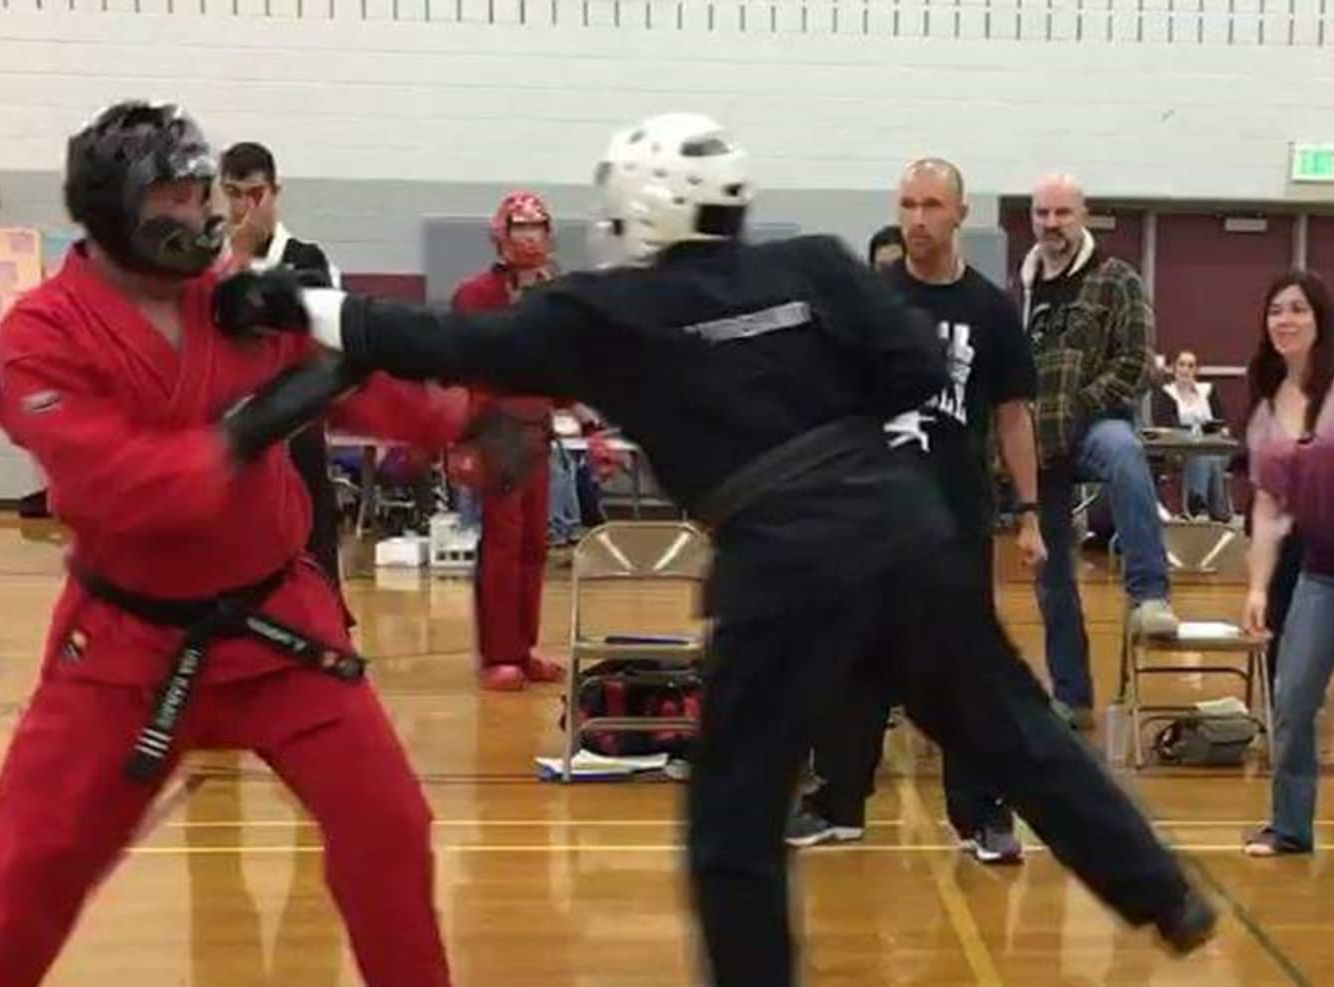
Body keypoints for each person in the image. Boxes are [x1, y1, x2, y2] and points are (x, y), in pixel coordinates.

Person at [216, 111, 1216, 987]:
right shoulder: (818, 264)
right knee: (1012, 730)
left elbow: (439, 341)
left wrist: (282, 300)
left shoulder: (606, 311)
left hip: (780, 563)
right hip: (900, 524)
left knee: (735, 822)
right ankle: (1163, 894)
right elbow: (915, 368)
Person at [0, 100, 532, 987]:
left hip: (276, 624)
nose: (202, 212)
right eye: (173, 196)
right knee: (29, 871)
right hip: (124, 649)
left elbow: (366, 390)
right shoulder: (42, 333)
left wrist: (467, 418)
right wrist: (249, 429)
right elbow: (114, 481)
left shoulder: (238, 295)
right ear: (113, 212)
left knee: (390, 828)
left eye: (201, 188)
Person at [786, 159, 1046, 865]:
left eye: (933, 205)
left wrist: (1028, 511)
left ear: (960, 214)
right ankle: (837, 803)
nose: (918, 219)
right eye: (907, 204)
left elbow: (1014, 416)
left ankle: (981, 814)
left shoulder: (991, 310)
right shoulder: (872, 301)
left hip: (953, 519)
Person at [1022, 173, 1179, 729]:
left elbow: (1135, 364)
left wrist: (1077, 406)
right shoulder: (1024, 288)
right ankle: (1072, 695)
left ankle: (1151, 594)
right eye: (1042, 213)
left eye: (1062, 213)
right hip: (1035, 445)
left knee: (1124, 454)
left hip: (1093, 425)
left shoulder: (1117, 280)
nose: (1051, 224)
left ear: (1083, 215)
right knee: (1051, 576)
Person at [1240, 271, 1334, 856]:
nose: (1285, 320)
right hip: (1325, 572)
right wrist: (1258, 589)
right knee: (1293, 699)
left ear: (1321, 320)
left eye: (1298, 310)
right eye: (1275, 310)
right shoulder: (1267, 411)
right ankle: (1289, 827)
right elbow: (1268, 508)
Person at [218, 141, 350, 589]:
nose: (243, 206)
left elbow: (325, 338)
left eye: (254, 194)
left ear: (275, 192)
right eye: (233, 192)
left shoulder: (308, 259)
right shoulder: (208, 262)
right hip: (230, 427)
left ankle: (327, 626)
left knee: (311, 540)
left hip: (295, 425)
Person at [450, 191, 566, 690]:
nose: (530, 238)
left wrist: (581, 415)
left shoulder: (554, 295)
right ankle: (498, 654)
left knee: (535, 544)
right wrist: (463, 440)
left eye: (538, 228)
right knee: (502, 541)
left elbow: (567, 363)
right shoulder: (476, 295)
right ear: (502, 235)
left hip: (539, 426)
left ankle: (523, 647)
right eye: (521, 228)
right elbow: (464, 367)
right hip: (495, 427)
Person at [1152, 349, 1232, 520]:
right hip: (1180, 450)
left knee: (1210, 455)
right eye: (1181, 364)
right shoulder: (1166, 394)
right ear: (1173, 368)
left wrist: (1214, 430)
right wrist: (1198, 432)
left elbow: (1222, 422)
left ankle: (1197, 503)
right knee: (1203, 455)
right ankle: (1215, 510)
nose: (1186, 369)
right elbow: (1165, 426)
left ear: (1196, 370)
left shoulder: (1208, 391)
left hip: (1215, 446)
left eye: (1191, 365)